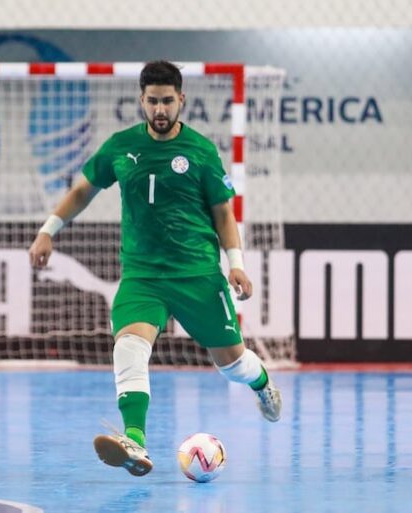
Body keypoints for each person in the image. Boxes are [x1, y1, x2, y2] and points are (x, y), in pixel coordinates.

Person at [29, 60, 282, 477]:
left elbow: (223, 212)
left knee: (232, 364)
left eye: (167, 101)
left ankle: (262, 383)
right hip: (143, 276)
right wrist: (48, 230)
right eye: (152, 101)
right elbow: (82, 190)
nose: (160, 109)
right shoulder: (121, 146)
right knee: (129, 345)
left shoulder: (201, 151)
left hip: (197, 274)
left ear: (181, 99)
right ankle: (135, 439)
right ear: (141, 101)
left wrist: (235, 264)